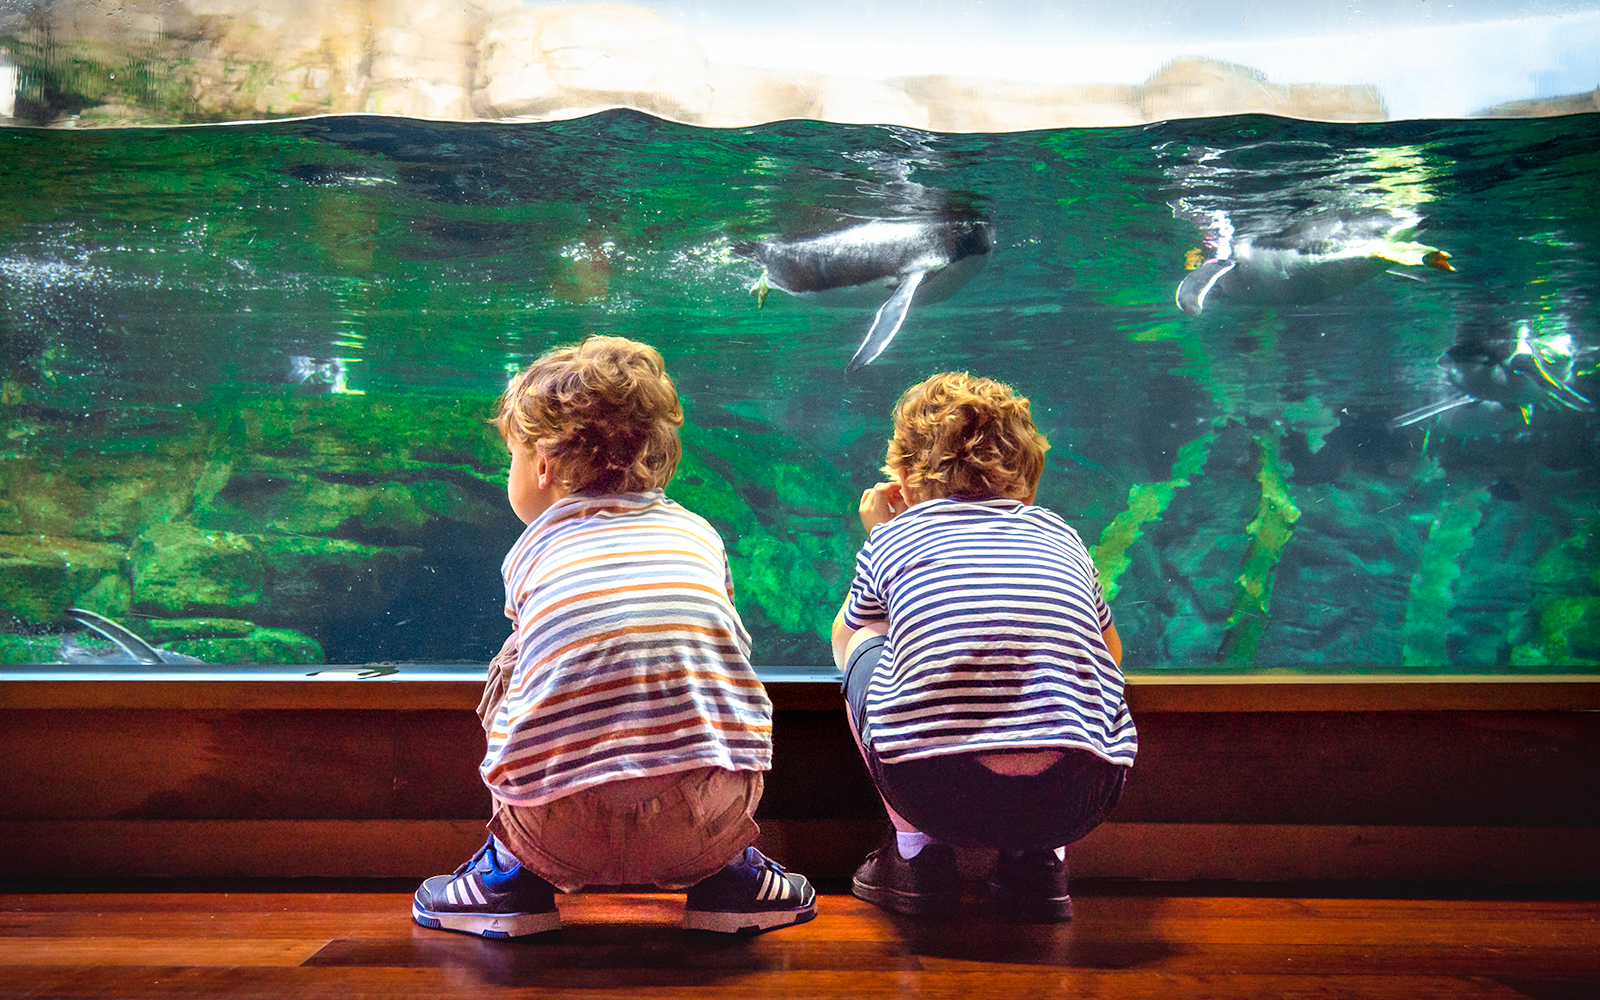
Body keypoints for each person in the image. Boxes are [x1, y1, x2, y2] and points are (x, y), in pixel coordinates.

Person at [413, 335, 815, 938]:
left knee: (517, 657)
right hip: (700, 827)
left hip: (554, 832)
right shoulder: (699, 536)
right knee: (721, 658)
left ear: (543, 466)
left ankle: (508, 881)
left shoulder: (533, 550)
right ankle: (730, 877)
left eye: (513, 458)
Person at [830, 371, 1135, 922]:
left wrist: (879, 531)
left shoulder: (894, 536)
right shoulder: (1063, 535)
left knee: (862, 635)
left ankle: (916, 858)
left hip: (934, 790)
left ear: (900, 478)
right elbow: (1110, 651)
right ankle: (1039, 864)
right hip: (1079, 792)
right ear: (1031, 482)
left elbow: (846, 635)